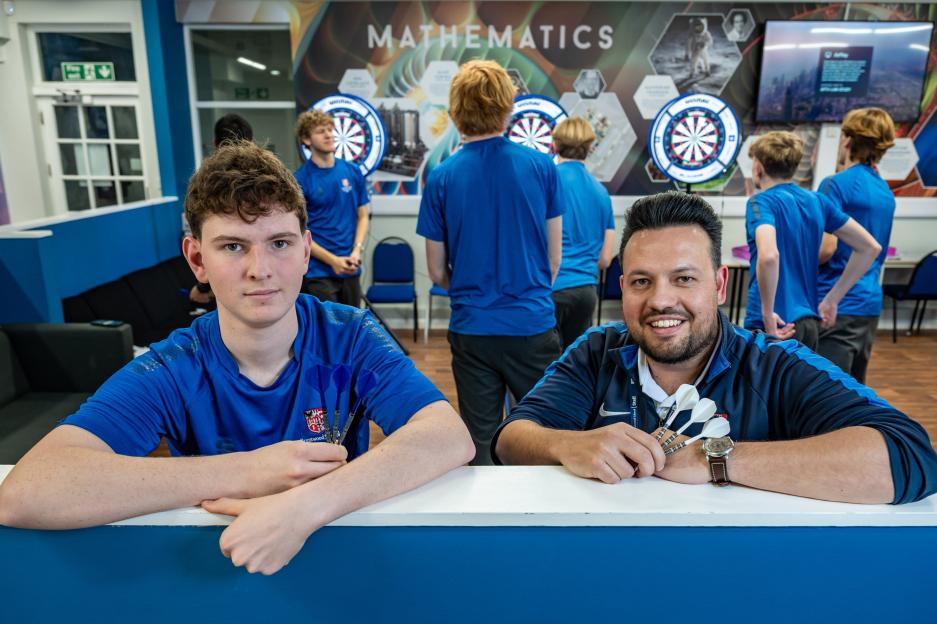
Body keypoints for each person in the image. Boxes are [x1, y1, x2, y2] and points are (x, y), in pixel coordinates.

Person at [0, 141, 475, 574]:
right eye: (233, 246)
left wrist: (307, 504)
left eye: (280, 243)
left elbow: (446, 436)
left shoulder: (350, 336)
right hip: (219, 566)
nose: (260, 270)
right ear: (197, 260)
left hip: (338, 559)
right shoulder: (174, 367)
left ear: (306, 251)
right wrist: (249, 470)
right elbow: (29, 491)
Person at [492, 191, 937, 504]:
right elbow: (511, 439)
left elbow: (910, 455)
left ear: (720, 285)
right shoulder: (597, 351)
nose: (661, 300)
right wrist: (566, 444)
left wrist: (716, 458)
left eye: (684, 278)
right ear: (623, 288)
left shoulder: (773, 365)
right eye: (642, 281)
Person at [417, 59, 563, 465]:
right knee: (542, 436)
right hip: (531, 324)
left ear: (455, 110)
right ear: (508, 106)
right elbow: (554, 260)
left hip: (472, 328)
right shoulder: (542, 167)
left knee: (479, 441)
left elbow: (436, 271)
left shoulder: (441, 177)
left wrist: (470, 290)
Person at [745, 131, 880, 349]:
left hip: (773, 326)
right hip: (808, 323)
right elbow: (870, 247)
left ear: (758, 167)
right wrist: (832, 300)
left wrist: (767, 315)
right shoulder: (818, 201)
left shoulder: (760, 202)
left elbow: (769, 256)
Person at [817, 108, 897, 384]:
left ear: (848, 140)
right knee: (852, 394)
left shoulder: (835, 185)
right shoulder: (885, 191)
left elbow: (825, 250)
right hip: (868, 305)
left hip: (834, 303)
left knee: (825, 394)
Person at [551, 117, 616, 349]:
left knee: (544, 365)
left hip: (550, 289)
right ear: (589, 148)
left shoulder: (546, 182)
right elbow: (605, 259)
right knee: (573, 363)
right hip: (586, 292)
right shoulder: (601, 192)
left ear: (554, 145)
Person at [294, 110, 370, 307]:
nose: (328, 135)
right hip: (318, 273)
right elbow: (299, 232)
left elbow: (363, 216)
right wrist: (333, 261)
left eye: (330, 129)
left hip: (350, 266)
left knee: (352, 324)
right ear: (306, 139)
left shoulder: (352, 172)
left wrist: (356, 252)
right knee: (328, 326)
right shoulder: (300, 180)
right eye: (321, 131)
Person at [190, 113, 257, 306]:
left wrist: (202, 288)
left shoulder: (209, 187)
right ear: (251, 142)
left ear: (216, 144)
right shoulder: (270, 184)